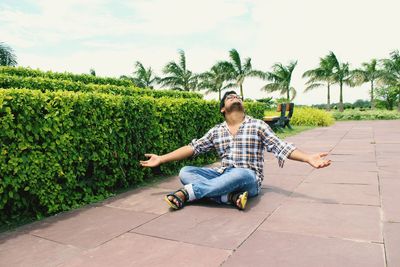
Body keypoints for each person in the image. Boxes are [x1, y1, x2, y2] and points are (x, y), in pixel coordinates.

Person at [140, 91, 331, 210]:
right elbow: (193, 148)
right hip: (222, 174)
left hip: (248, 178)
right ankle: (227, 197)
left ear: (242, 105)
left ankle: (186, 193)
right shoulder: (216, 131)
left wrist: (307, 158)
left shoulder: (257, 125)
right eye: (230, 97)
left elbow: (280, 146)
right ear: (223, 109)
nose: (235, 97)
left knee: (239, 173)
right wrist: (162, 158)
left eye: (238, 96)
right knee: (185, 171)